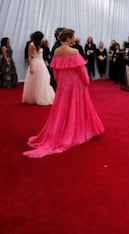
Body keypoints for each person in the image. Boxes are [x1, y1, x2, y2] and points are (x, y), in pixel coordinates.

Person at [23, 28, 104, 158]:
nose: (74, 38)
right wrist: (86, 82)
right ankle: (78, 130)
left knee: (63, 109)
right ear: (68, 38)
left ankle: (64, 129)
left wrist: (60, 82)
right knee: (77, 107)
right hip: (76, 85)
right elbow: (81, 71)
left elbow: (55, 71)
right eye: (72, 36)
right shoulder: (74, 51)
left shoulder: (57, 51)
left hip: (63, 85)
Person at [22, 31, 55, 105]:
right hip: (35, 63)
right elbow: (29, 57)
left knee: (43, 80)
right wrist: (31, 67)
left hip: (41, 63)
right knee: (35, 80)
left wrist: (45, 61)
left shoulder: (39, 44)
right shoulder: (31, 44)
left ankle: (42, 95)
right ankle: (34, 97)